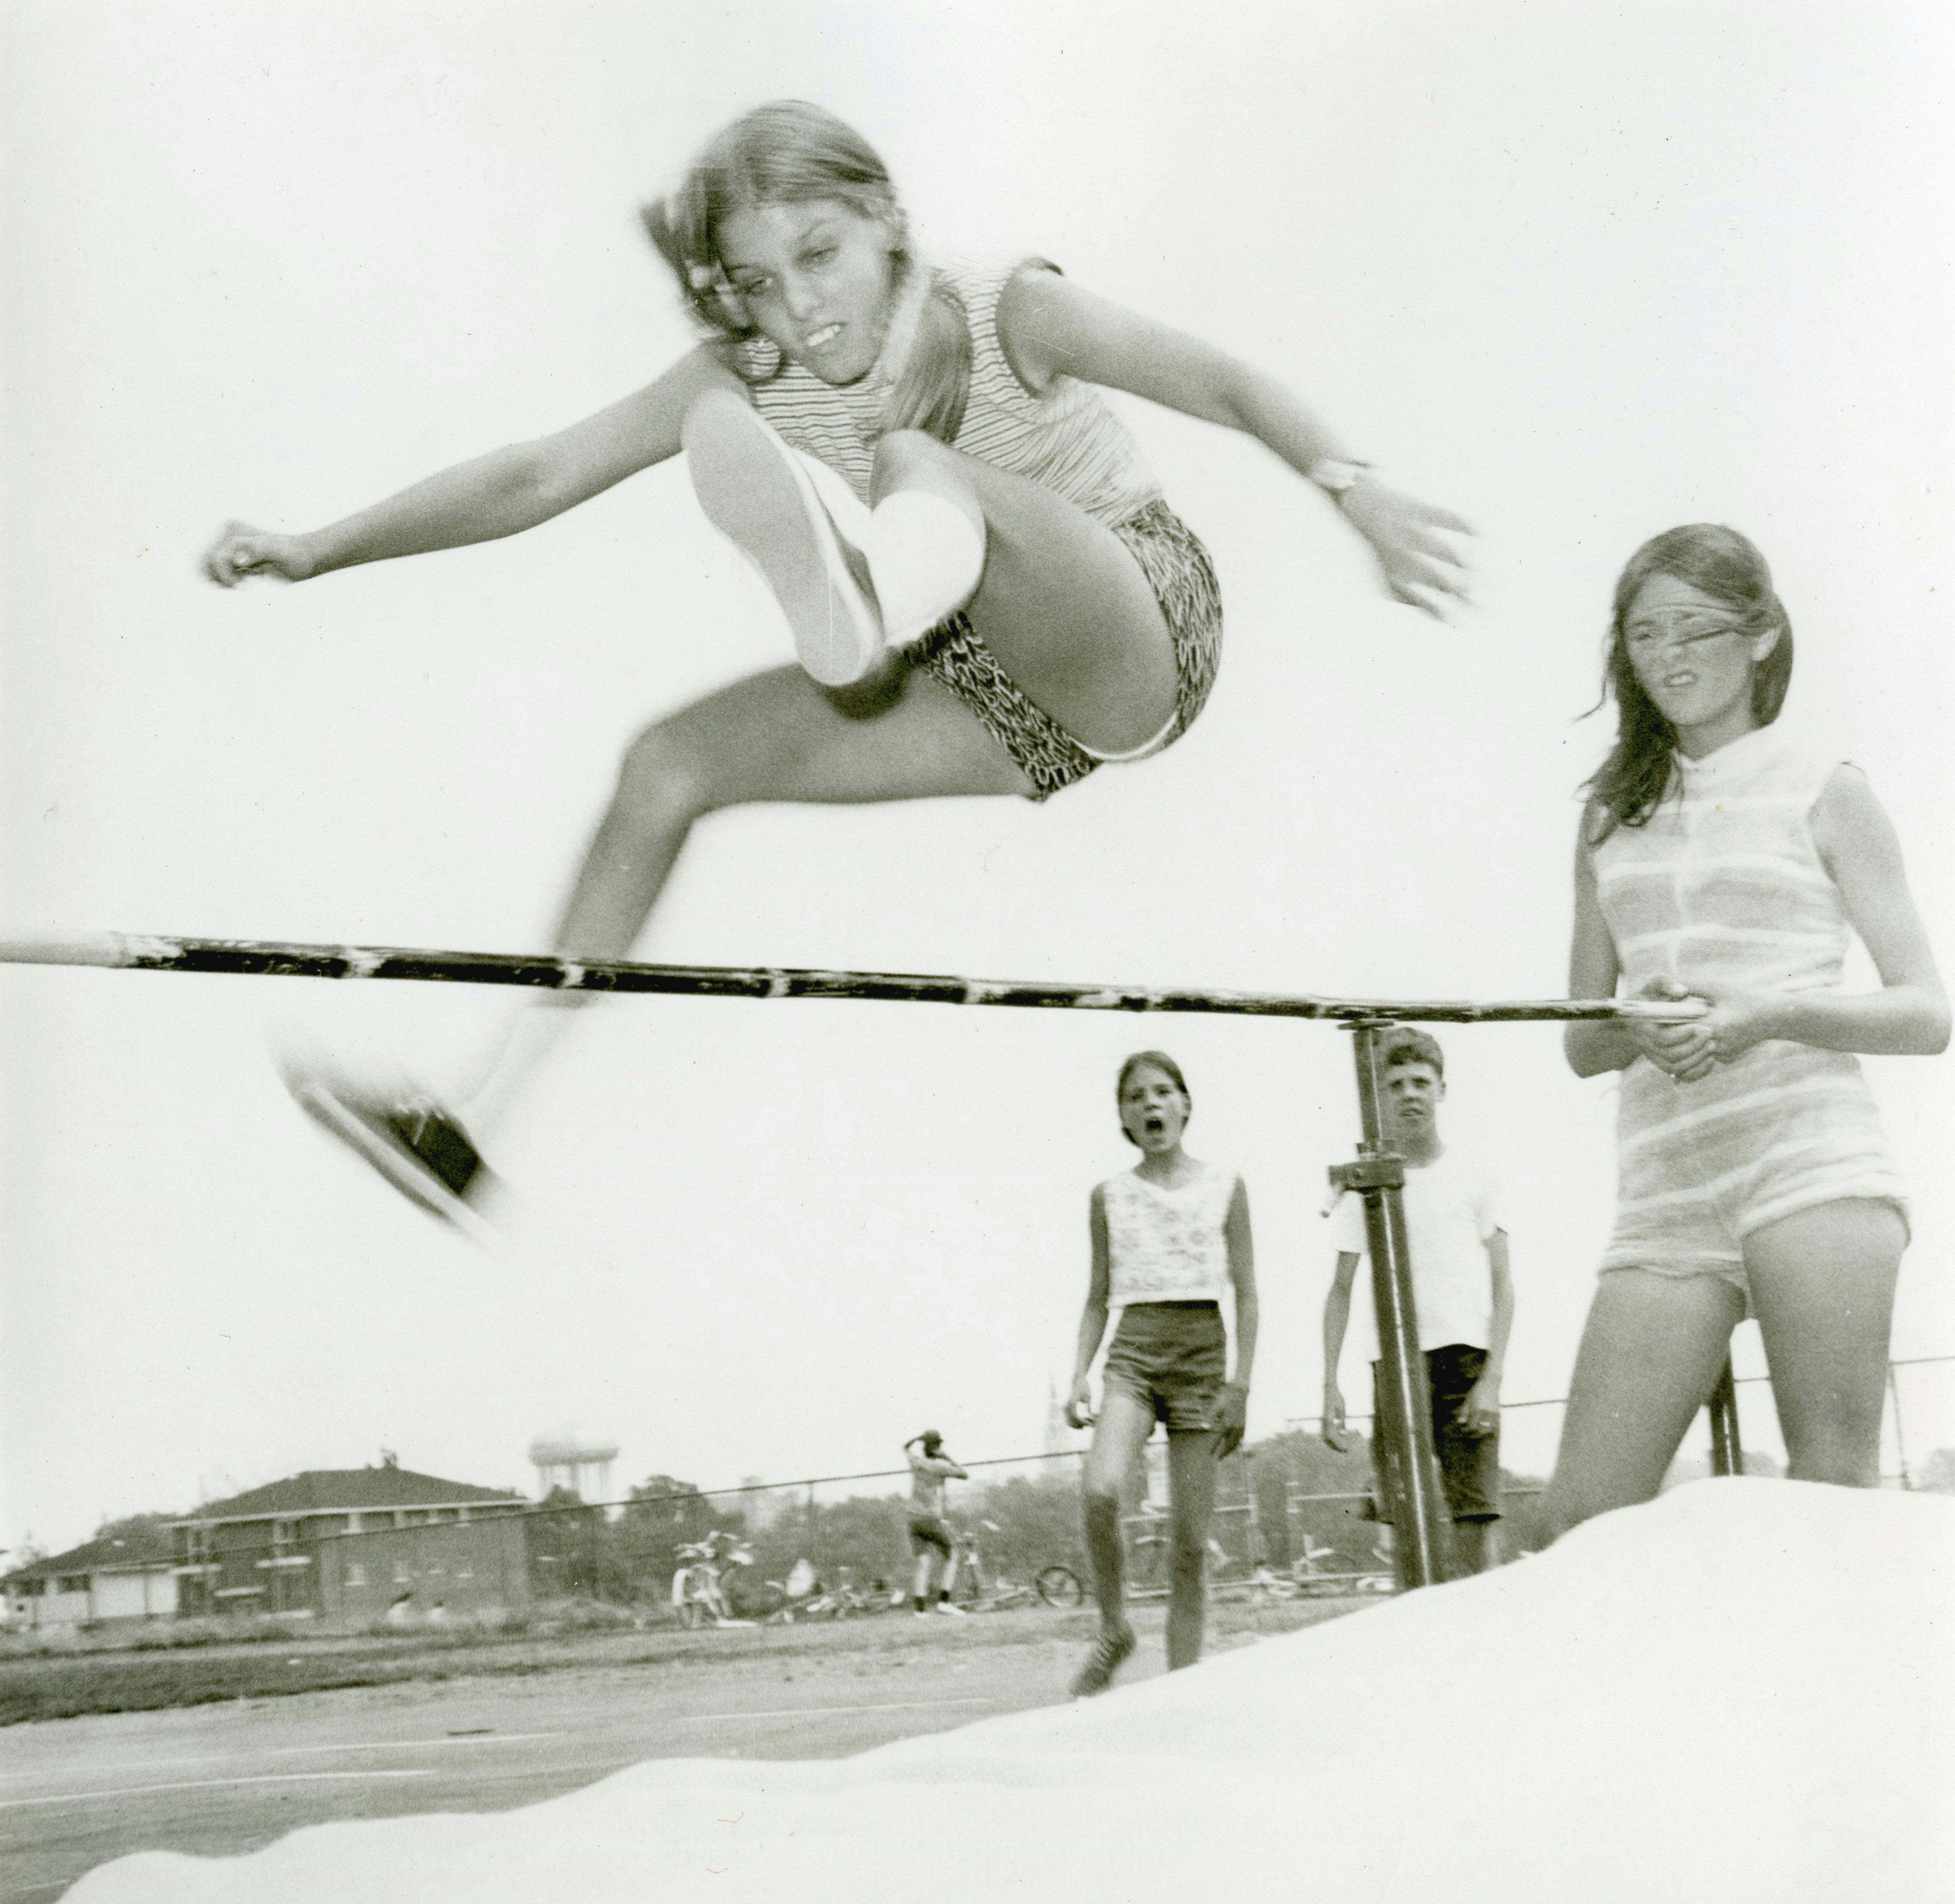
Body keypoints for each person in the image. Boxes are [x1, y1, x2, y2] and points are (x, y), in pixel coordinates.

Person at [198, 99, 1470, 1222]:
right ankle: (472, 1117)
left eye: (820, 256)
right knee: (664, 764)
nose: (800, 307)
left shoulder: (1005, 307)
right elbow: (538, 473)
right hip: (997, 698)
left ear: (887, 227)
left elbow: (1225, 381)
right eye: (756, 282)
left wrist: (1357, 495)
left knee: (918, 462)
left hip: (1139, 614)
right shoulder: (753, 371)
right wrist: (321, 547)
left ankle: (861, 606)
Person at [1537, 524, 1947, 1541]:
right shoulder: (1605, 811)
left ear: (1761, 634)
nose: (1667, 654)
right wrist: (1635, 1019)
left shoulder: (1825, 785)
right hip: (1663, 1193)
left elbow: (1926, 1010)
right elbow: (1583, 1040)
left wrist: (1765, 1010)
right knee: (1575, 1523)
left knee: (1829, 1504)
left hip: (1807, 1161)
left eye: (1694, 627)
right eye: (1641, 634)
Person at [1064, 1051, 1257, 1696]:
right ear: (1123, 1115)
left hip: (1202, 1356)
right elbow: (1098, 1295)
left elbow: (1248, 1293)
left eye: (1163, 1092)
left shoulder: (1225, 1184)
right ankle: (1115, 1627)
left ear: (1184, 1104)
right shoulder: (1109, 1196)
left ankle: (1181, 1690)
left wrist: (1241, 1384)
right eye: (1137, 1096)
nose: (1151, 1104)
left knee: (1189, 1545)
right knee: (1100, 1488)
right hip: (1134, 1353)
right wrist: (1078, 1374)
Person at [1321, 1030, 1514, 1576]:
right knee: (1403, 1525)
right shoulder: (1370, 1182)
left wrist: (1492, 1381)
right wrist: (1330, 1383)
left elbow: (1504, 1285)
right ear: (1380, 1096)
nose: (1410, 1094)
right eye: (1397, 1084)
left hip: (1466, 1362)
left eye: (1421, 1083)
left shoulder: (1475, 1175)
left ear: (1442, 1090)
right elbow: (1339, 1289)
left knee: (1475, 1522)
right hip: (1396, 1364)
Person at [903, 1430, 967, 1616]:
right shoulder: (940, 1467)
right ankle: (944, 1602)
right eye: (939, 1446)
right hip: (930, 1519)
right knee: (953, 1555)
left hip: (913, 1520)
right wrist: (946, 1457)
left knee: (923, 1563)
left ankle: (920, 1609)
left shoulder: (917, 1462)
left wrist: (916, 1437)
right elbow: (964, 1474)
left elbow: (905, 1448)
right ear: (935, 1448)